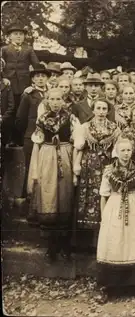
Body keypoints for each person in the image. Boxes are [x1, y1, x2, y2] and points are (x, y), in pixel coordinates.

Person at [27, 88, 80, 262]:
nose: (56, 102)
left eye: (59, 99)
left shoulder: (71, 118)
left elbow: (77, 139)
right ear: (47, 100)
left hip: (65, 155)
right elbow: (38, 142)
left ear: (64, 100)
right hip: (47, 156)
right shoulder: (42, 119)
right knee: (49, 196)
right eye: (52, 99)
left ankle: (65, 246)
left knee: (65, 196)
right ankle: (51, 247)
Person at [96, 136, 135, 303]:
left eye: (128, 150)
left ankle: (133, 284)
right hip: (114, 204)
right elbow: (104, 195)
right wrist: (103, 216)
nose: (126, 154)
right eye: (123, 150)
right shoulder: (109, 170)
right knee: (114, 241)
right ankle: (109, 285)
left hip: (134, 205)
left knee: (132, 241)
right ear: (117, 152)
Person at [73, 99, 121, 250]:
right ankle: (86, 242)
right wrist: (76, 166)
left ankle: (104, 240)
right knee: (87, 198)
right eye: (98, 108)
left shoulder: (114, 128)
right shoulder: (84, 127)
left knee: (105, 197)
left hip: (107, 166)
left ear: (108, 111)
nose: (101, 111)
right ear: (93, 110)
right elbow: (79, 148)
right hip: (89, 165)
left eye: (104, 109)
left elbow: (117, 149)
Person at [1, 24, 40, 143]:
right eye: (15, 34)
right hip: (9, 85)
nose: (18, 36)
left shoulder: (29, 49)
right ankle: (9, 139)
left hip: (24, 85)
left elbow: (36, 66)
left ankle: (21, 139)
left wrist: (34, 83)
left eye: (21, 34)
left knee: (21, 112)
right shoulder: (4, 49)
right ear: (9, 37)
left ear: (24, 37)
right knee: (9, 111)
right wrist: (3, 78)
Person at [16, 63, 50, 197]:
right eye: (37, 76)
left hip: (48, 136)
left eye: (43, 76)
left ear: (47, 78)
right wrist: (27, 134)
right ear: (33, 79)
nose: (40, 79)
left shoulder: (51, 93)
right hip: (31, 136)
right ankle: (26, 200)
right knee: (31, 168)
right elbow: (20, 118)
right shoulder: (28, 94)